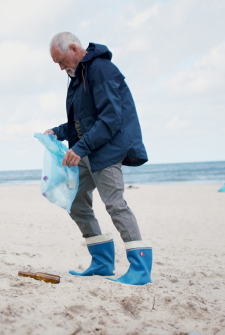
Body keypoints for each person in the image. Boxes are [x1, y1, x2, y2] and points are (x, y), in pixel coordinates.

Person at [44, 32, 151, 286]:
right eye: (57, 64)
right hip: (88, 149)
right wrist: (58, 132)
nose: (61, 67)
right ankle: (102, 262)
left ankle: (141, 269)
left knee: (114, 204)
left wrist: (80, 148)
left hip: (108, 149)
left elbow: (111, 118)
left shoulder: (101, 69)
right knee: (75, 201)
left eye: (61, 60)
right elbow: (82, 122)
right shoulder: (77, 76)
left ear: (73, 47)